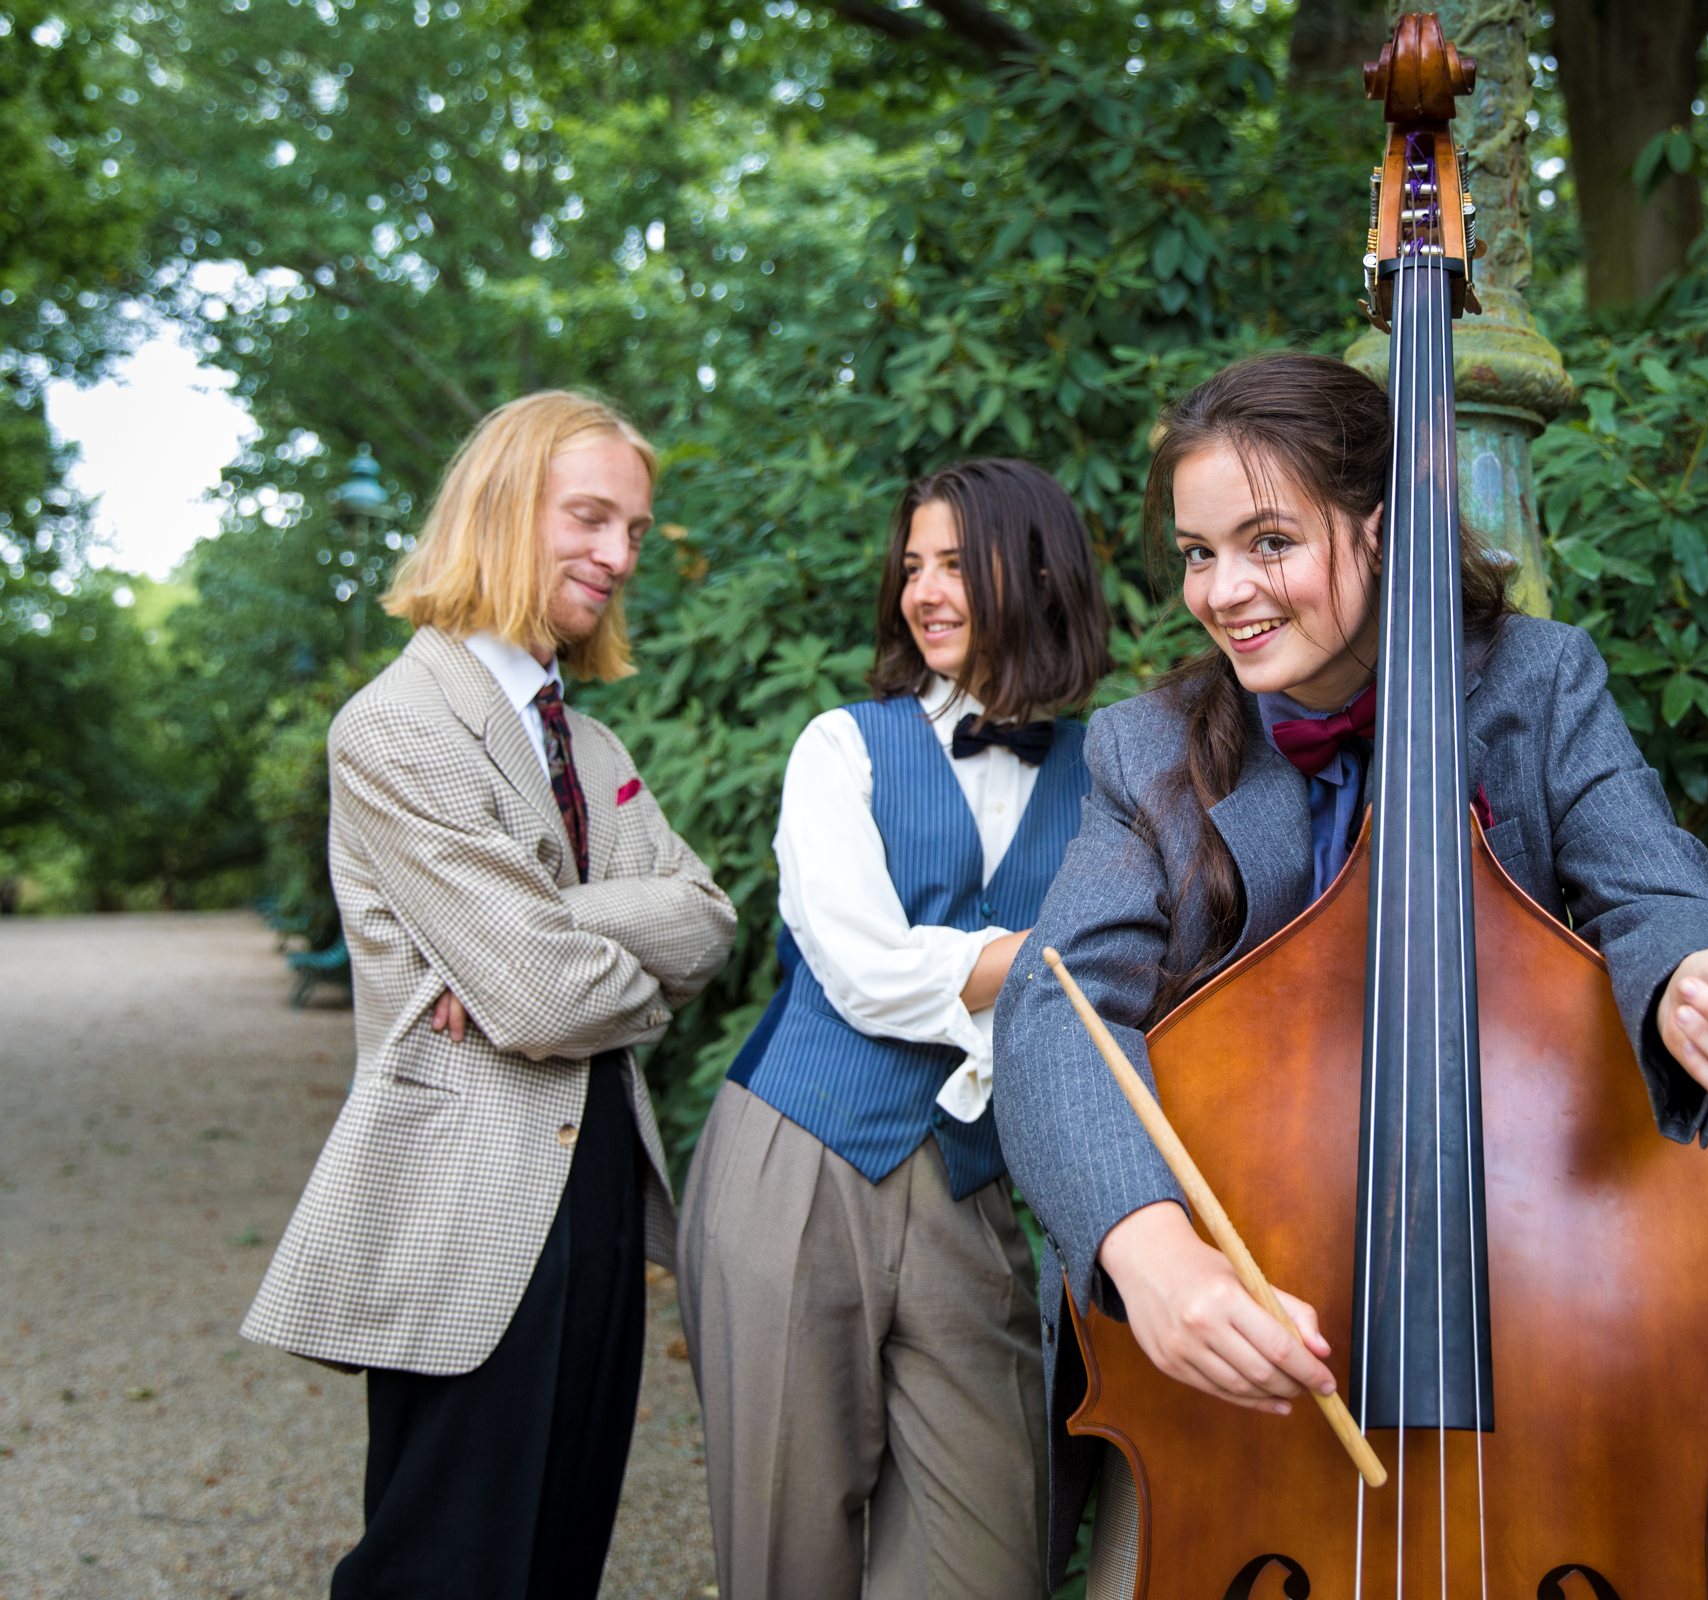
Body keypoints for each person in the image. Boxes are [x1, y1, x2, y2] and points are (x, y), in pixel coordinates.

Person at [992, 351, 1708, 1592]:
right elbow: (1055, 1008)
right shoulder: (1146, 749)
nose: (1223, 591)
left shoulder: (1540, 684)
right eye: (1195, 551)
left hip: (1538, 1348)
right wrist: (1149, 1251)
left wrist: (1692, 981)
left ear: (1377, 527)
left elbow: (1654, 887)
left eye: (1267, 540)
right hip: (1241, 1395)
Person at [241, 391, 737, 1599]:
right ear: (502, 507)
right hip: (467, 1201)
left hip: (607, 1187)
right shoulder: (398, 728)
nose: (620, 556)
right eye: (591, 517)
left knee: (560, 1558)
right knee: (444, 1566)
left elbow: (710, 919)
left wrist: (537, 929)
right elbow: (545, 1003)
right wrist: (554, 960)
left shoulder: (597, 749)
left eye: (634, 528)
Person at [676, 458, 1112, 1600]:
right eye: (912, 565)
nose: (925, 589)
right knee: (788, 1541)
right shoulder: (842, 746)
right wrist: (1050, 958)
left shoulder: (1106, 773)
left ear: (1039, 570)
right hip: (798, 1154)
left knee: (995, 1550)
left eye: (957, 563)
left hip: (972, 1179)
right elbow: (865, 970)